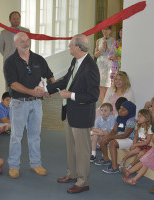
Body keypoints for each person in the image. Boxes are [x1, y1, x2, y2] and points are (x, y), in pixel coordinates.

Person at [45, 34, 100, 193]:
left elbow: (93, 96)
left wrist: (71, 95)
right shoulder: (75, 61)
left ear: (78, 47)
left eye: (70, 45)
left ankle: (83, 182)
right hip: (71, 112)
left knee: (82, 150)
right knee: (71, 147)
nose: (69, 47)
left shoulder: (91, 67)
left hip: (82, 114)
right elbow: (66, 81)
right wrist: (47, 90)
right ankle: (72, 174)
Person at [4, 32, 55, 179]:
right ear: (15, 44)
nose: (26, 43)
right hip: (19, 103)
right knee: (16, 136)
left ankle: (35, 164)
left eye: (27, 40)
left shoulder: (38, 59)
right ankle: (13, 166)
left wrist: (49, 90)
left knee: (35, 136)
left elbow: (50, 75)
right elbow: (13, 84)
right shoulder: (10, 62)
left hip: (37, 104)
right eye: (22, 41)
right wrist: (32, 92)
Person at [122, 120, 154, 185]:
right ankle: (130, 174)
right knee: (144, 160)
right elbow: (153, 138)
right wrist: (152, 142)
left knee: (146, 162)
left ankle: (132, 176)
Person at [95, 101, 136, 174]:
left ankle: (114, 167)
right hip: (119, 137)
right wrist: (108, 136)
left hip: (129, 139)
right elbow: (114, 130)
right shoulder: (119, 117)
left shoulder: (131, 120)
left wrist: (111, 137)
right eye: (120, 108)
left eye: (123, 110)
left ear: (130, 111)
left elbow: (125, 135)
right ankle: (106, 159)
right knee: (103, 139)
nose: (120, 111)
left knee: (112, 143)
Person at [94, 26, 115, 103]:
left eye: (107, 29)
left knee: (107, 86)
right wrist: (102, 48)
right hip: (100, 64)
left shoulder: (113, 40)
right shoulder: (98, 41)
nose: (105, 31)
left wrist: (106, 47)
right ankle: (103, 104)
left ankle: (107, 103)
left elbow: (113, 54)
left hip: (108, 64)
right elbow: (95, 55)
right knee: (100, 85)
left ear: (110, 30)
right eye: (103, 29)